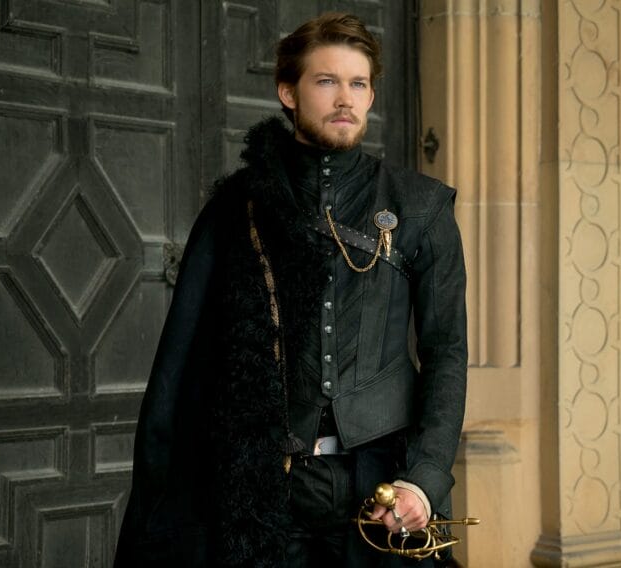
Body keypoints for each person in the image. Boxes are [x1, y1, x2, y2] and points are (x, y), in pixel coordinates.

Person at [114, 12, 467, 567]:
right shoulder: (237, 209)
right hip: (263, 494)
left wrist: (423, 481)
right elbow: (179, 372)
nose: (345, 98)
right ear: (288, 91)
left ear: (372, 94)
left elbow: (447, 352)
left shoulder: (420, 207)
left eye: (358, 83)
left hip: (380, 486)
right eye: (326, 81)